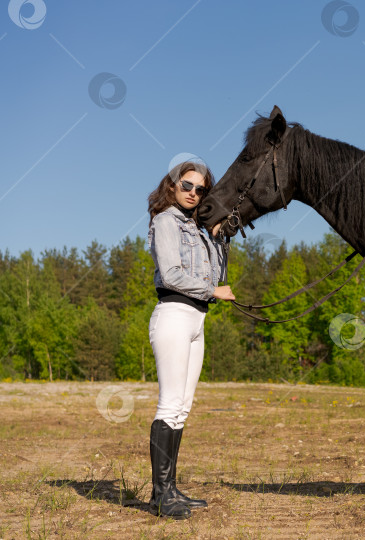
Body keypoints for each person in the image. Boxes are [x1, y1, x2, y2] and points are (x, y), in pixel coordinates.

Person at [145, 161, 235, 519]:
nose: (193, 193)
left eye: (200, 189)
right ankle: (158, 496)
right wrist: (213, 289)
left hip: (198, 318)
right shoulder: (165, 220)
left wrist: (220, 235)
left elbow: (217, 272)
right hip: (174, 315)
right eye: (187, 185)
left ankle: (170, 489)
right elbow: (170, 274)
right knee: (169, 405)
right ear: (172, 185)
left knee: (182, 406)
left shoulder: (201, 228)